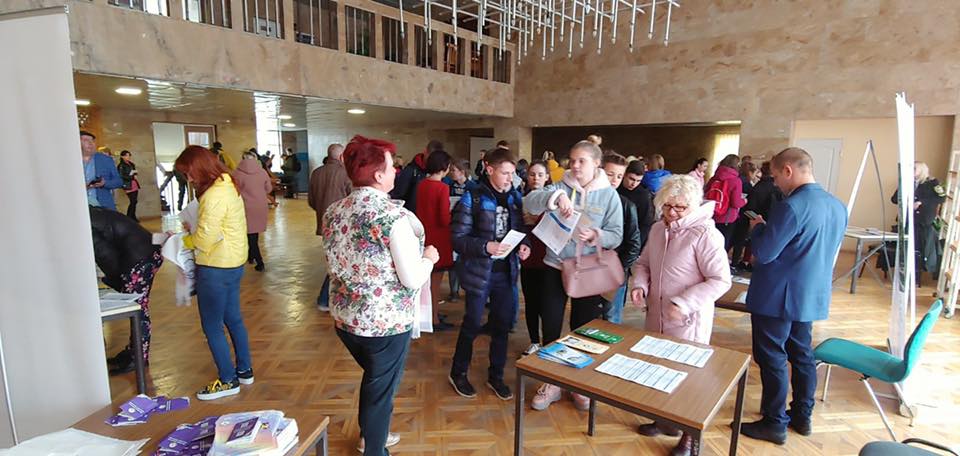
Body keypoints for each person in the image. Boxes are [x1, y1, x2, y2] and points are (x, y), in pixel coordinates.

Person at [322, 135, 438, 455]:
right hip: (383, 324)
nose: (396, 172)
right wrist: (429, 258)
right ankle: (374, 448)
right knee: (381, 388)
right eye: (391, 167)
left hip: (345, 319)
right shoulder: (391, 217)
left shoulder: (334, 211)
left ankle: (370, 435)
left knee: (376, 380)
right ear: (377, 175)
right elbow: (412, 278)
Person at [741, 147, 847, 445]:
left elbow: (765, 253)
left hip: (777, 295)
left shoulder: (791, 207)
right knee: (802, 355)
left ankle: (774, 422)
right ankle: (802, 415)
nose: (775, 183)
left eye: (776, 176)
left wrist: (758, 229)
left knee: (772, 356)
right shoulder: (837, 205)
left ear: (788, 170)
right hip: (810, 293)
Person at [630, 175, 732, 455]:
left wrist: (685, 303)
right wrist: (639, 285)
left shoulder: (705, 234)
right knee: (658, 368)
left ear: (693, 205)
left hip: (688, 320)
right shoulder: (657, 229)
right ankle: (664, 419)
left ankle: (690, 436)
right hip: (657, 314)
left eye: (679, 207)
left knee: (688, 377)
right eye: (667, 206)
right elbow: (643, 263)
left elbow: (721, 280)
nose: (672, 213)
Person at [523, 140, 623, 411]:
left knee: (584, 328)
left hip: (587, 271)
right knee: (551, 325)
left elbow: (617, 234)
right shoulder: (560, 184)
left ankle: (578, 383)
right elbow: (530, 202)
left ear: (596, 164)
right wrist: (556, 197)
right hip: (554, 267)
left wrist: (596, 235)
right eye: (572, 160)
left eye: (582, 161)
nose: (575, 166)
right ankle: (552, 382)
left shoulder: (609, 195)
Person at [448, 147, 531, 401]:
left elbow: (520, 228)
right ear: (489, 169)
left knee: (502, 326)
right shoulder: (472, 197)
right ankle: (458, 372)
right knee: (472, 324)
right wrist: (486, 246)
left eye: (512, 173)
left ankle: (496, 376)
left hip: (506, 272)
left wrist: (525, 244)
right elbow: (457, 239)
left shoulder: (515, 196)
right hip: (479, 272)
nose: (510, 178)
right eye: (505, 173)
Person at [174, 145, 254, 401]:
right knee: (233, 318)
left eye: (189, 173)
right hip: (233, 262)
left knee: (212, 325)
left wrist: (183, 239)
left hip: (215, 266)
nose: (189, 179)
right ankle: (244, 370)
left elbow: (205, 240)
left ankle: (228, 380)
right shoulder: (228, 184)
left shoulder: (214, 194)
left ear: (200, 168)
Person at [90, 206, 163, 374]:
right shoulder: (89, 214)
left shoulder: (86, 223)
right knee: (138, 308)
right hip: (144, 253)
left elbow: (103, 253)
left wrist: (116, 281)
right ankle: (134, 351)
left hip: (139, 259)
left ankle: (138, 357)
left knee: (138, 309)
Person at [415, 149, 456, 331]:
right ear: (444, 167)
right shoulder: (442, 187)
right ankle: (433, 318)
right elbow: (444, 219)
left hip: (424, 235)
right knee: (436, 283)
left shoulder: (422, 184)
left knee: (427, 282)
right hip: (439, 237)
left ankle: (431, 314)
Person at [308, 143, 352, 311]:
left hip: (323, 222)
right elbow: (352, 200)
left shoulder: (316, 173)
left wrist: (323, 212)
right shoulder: (345, 173)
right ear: (341, 157)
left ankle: (329, 298)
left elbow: (311, 200)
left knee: (334, 259)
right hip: (342, 225)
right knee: (340, 260)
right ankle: (325, 299)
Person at [602, 153, 642, 324]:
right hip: (588, 270)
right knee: (586, 319)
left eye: (619, 176)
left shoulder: (626, 205)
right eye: (609, 174)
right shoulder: (588, 200)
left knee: (611, 319)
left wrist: (617, 269)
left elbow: (634, 245)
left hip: (614, 272)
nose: (614, 180)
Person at [892, 161, 946, 279]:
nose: (911, 171)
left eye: (914, 168)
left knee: (918, 248)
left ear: (922, 170)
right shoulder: (907, 182)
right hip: (906, 220)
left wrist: (921, 202)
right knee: (905, 247)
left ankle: (915, 275)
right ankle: (902, 273)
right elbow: (894, 199)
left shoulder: (933, 182)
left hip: (923, 221)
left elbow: (942, 198)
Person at [520, 160, 551, 355]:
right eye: (532, 174)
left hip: (548, 259)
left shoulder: (554, 200)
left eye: (540, 174)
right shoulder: (522, 199)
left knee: (547, 304)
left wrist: (537, 220)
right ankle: (534, 340)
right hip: (528, 259)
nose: (536, 178)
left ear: (547, 177)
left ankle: (548, 341)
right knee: (530, 302)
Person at [443, 159, 476, 302]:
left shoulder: (472, 186)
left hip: (468, 226)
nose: (451, 173)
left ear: (462, 172)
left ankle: (470, 289)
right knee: (454, 261)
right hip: (454, 224)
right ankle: (454, 291)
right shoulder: (449, 185)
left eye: (454, 170)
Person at [233, 151, 272, 272]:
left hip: (245, 206)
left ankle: (259, 261)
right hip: (260, 205)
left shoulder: (237, 173)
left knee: (250, 235)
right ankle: (251, 256)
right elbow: (269, 189)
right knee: (254, 233)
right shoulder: (262, 172)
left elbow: (233, 191)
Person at [705, 154, 746, 251]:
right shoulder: (736, 180)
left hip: (711, 215)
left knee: (709, 244)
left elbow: (706, 193)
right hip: (727, 218)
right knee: (722, 246)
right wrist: (744, 201)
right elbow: (736, 203)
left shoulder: (714, 178)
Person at [392, 140, 442, 212]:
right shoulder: (410, 170)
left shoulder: (438, 173)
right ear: (425, 152)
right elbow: (398, 195)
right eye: (431, 157)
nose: (432, 161)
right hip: (411, 214)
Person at [80, 131, 123, 210]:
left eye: (92, 140)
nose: (90, 143)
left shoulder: (106, 160)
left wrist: (104, 183)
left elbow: (119, 181)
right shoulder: (69, 161)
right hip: (78, 207)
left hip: (103, 206)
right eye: (86, 140)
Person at [731, 161, 761, 269]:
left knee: (730, 239)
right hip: (743, 216)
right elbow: (747, 203)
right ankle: (734, 264)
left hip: (732, 215)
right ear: (751, 172)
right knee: (739, 241)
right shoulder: (747, 185)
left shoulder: (736, 179)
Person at [619, 159, 655, 247]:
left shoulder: (644, 195)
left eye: (638, 181)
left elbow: (645, 224)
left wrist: (636, 246)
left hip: (629, 238)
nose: (634, 184)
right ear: (624, 174)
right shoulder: (616, 186)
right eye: (631, 179)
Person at [117, 150, 141, 221]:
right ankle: (129, 217)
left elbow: (134, 172)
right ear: (122, 156)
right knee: (133, 201)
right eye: (126, 155)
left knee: (135, 201)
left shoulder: (131, 164)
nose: (128, 157)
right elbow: (121, 176)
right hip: (127, 184)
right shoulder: (121, 165)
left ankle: (133, 216)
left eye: (129, 155)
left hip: (134, 183)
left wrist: (135, 174)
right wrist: (132, 176)